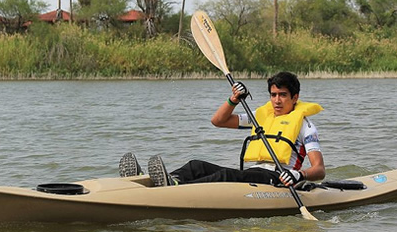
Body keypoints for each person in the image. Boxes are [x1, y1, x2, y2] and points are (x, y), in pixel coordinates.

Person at [119, 71, 326, 188]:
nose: (277, 100)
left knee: (226, 175)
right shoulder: (260, 116)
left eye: (282, 95)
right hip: (253, 174)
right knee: (195, 165)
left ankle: (175, 189)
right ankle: (158, 181)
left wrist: (299, 175)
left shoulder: (306, 126)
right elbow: (218, 120)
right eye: (273, 95)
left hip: (277, 179)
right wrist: (234, 99)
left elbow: (319, 170)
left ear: (295, 97)